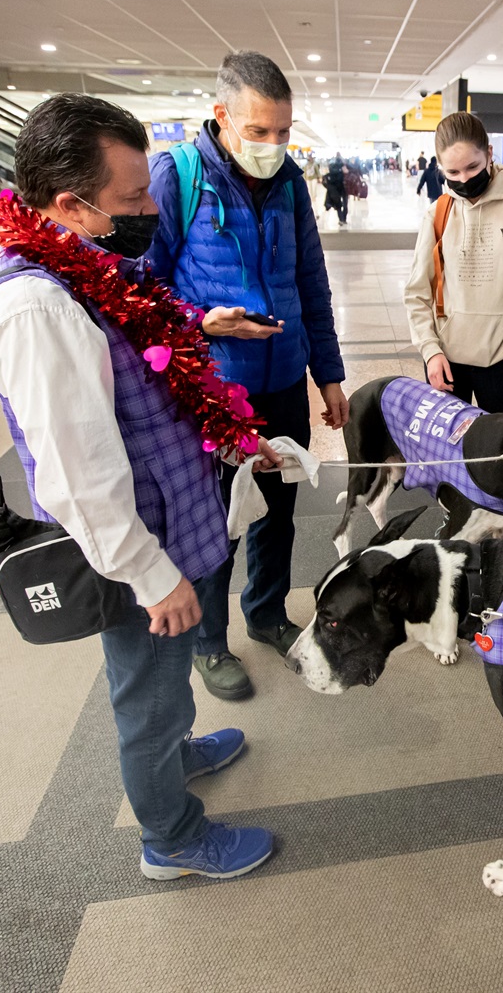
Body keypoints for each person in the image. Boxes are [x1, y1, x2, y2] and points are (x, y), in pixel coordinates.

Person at [0, 93, 275, 881]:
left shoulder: (80, 272)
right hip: (139, 543)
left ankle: (174, 755)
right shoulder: (35, 308)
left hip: (167, 516)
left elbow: (123, 352)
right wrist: (150, 574)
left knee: (160, 682)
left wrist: (199, 328)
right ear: (69, 206)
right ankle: (171, 837)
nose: (147, 210)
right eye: (132, 198)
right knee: (146, 693)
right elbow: (76, 471)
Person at [146, 50, 347, 701]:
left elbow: (311, 281)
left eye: (283, 132)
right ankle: (208, 641)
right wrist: (202, 323)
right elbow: (140, 292)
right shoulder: (175, 176)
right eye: (258, 132)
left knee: (279, 511)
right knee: (215, 521)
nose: (273, 145)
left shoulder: (289, 183)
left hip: (284, 378)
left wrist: (329, 375)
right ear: (221, 116)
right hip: (211, 387)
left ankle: (265, 614)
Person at [404, 112, 503, 409]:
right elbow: (417, 293)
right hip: (446, 362)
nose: (464, 179)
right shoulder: (438, 214)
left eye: (472, 167)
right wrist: (430, 350)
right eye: (453, 173)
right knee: (446, 453)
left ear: (489, 153)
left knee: (499, 453)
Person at [324, 153, 349, 226]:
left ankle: (341, 219)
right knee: (344, 204)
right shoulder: (344, 165)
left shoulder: (332, 166)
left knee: (339, 204)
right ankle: (343, 219)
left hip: (336, 188)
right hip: (343, 187)